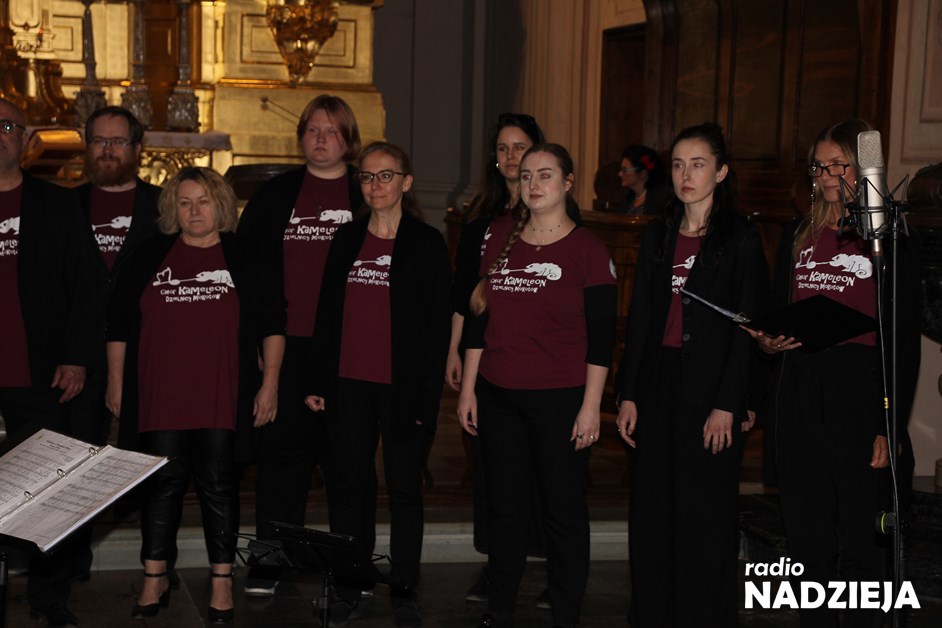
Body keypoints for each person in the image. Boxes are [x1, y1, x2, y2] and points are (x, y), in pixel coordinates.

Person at [745, 118, 921, 627]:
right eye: (819, 167)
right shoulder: (797, 233)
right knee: (807, 541)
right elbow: (779, 311)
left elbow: (903, 340)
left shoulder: (890, 239)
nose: (826, 176)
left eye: (837, 165)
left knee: (863, 544)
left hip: (859, 390)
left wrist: (890, 424)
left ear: (864, 168)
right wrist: (768, 342)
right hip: (801, 388)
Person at [105, 167, 285, 624]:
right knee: (162, 484)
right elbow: (119, 323)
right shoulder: (149, 254)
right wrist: (116, 381)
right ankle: (154, 576)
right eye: (184, 203)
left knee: (218, 484)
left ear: (220, 204)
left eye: (203, 201)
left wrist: (269, 384)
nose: (194, 211)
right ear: (172, 209)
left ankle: (222, 581)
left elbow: (272, 324)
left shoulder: (245, 255)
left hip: (221, 390)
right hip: (160, 390)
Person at [457, 143, 617, 628]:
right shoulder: (500, 238)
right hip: (498, 395)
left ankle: (566, 613)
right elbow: (479, 321)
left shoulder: (589, 250)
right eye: (526, 175)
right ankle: (500, 607)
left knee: (561, 512)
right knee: (505, 508)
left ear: (568, 183)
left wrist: (591, 407)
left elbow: (602, 339)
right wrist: (468, 389)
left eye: (545, 175)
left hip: (561, 400)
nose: (533, 184)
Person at [615, 122, 767, 627]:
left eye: (698, 164)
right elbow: (641, 317)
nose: (686, 174)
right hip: (657, 384)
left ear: (720, 172)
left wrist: (730, 402)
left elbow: (748, 328)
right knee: (652, 514)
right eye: (678, 165)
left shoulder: (741, 238)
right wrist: (628, 393)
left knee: (704, 519)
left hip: (711, 391)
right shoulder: (658, 232)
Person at [306, 141, 451, 627]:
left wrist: (428, 400)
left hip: (403, 388)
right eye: (367, 177)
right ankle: (351, 583)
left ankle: (405, 588)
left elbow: (437, 329)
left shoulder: (427, 243)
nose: (375, 185)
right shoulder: (346, 238)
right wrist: (318, 379)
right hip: (349, 383)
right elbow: (327, 314)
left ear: (406, 182)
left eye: (386, 175)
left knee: (404, 489)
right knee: (350, 487)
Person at [236, 94, 370, 596]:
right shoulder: (276, 196)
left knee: (346, 462)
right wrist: (253, 340)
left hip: (348, 348)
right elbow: (247, 272)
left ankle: (349, 568)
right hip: (284, 347)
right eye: (313, 130)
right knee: (281, 459)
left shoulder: (367, 193)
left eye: (332, 131)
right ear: (301, 138)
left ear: (348, 141)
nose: (321, 139)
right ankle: (270, 561)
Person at [0, 98, 99, 628]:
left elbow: (87, 287)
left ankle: (48, 595)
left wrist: (77, 357)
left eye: (7, 125)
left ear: (26, 137)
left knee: (50, 490)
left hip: (39, 372)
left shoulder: (57, 205)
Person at [444, 112, 549, 605]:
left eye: (519, 147)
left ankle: (550, 567)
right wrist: (455, 349)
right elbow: (465, 293)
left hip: (536, 355)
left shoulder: (551, 208)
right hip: (484, 353)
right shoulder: (480, 217)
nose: (510, 156)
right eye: (503, 148)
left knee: (541, 468)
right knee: (492, 467)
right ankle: (497, 565)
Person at [615, 144, 669, 215]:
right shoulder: (627, 200)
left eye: (625, 170)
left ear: (643, 173)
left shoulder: (660, 200)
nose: (620, 174)